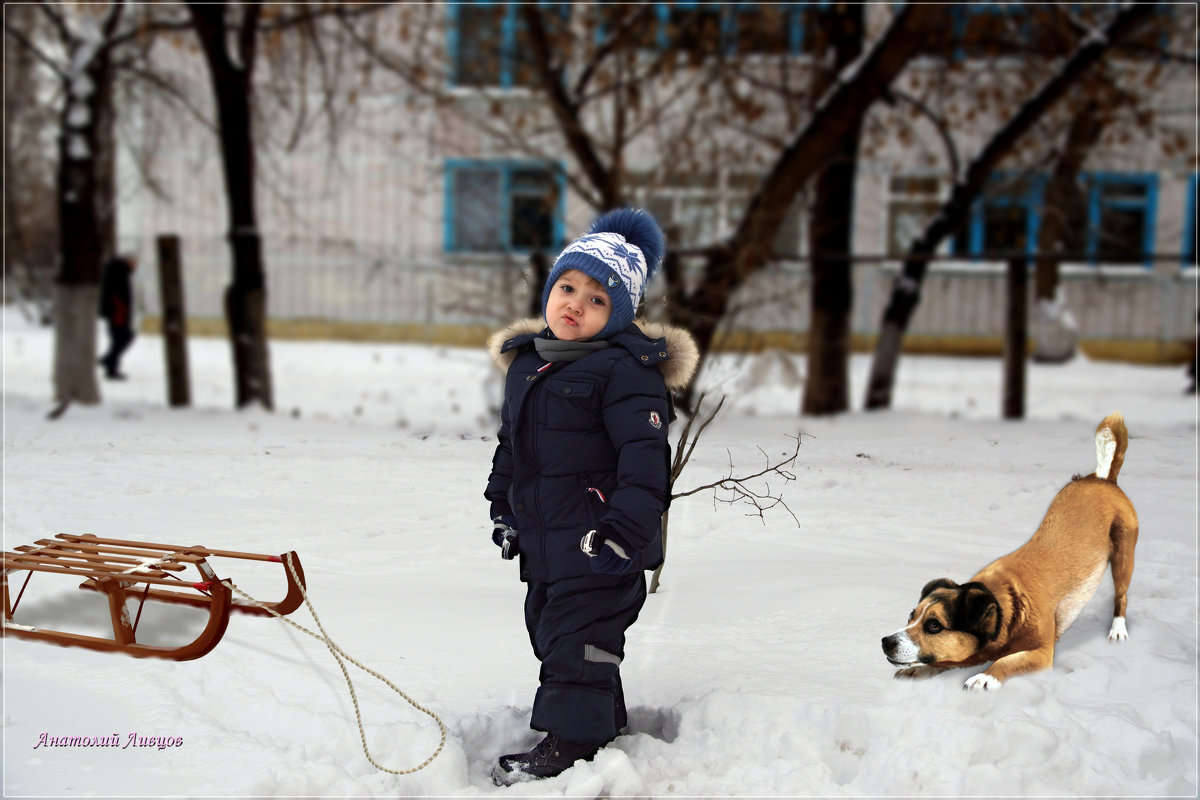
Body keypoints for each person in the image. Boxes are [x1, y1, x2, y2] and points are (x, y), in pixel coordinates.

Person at [484, 208, 698, 786]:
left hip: (598, 540)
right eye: (568, 288)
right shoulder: (528, 365)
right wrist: (503, 507)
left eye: (598, 299)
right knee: (551, 632)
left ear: (620, 314)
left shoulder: (626, 372)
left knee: (580, 639)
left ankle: (574, 744)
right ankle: (600, 717)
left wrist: (623, 532)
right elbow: (513, 447)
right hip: (546, 541)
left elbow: (644, 463)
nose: (575, 304)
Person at [98, 253, 137, 380]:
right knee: (124, 337)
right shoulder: (120, 272)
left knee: (118, 340)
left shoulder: (118, 271)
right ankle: (108, 361)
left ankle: (111, 366)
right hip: (118, 312)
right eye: (134, 262)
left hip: (117, 311)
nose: (136, 265)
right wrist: (121, 311)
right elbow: (117, 295)